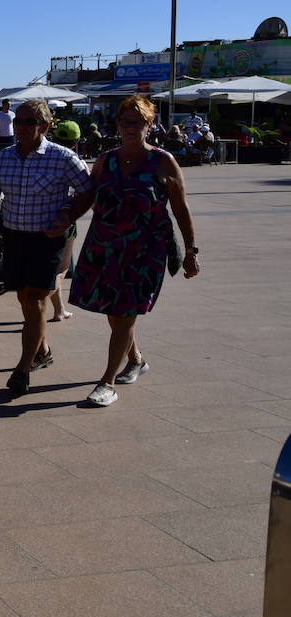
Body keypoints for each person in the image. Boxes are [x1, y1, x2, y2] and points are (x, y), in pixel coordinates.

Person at [68, 96, 199, 407]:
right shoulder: (106, 160)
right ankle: (136, 359)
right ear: (117, 125)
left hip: (145, 252)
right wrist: (63, 219)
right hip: (105, 246)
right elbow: (86, 198)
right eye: (126, 122)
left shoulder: (163, 162)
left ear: (149, 126)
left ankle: (107, 382)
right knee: (116, 315)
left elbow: (181, 209)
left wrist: (191, 250)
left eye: (138, 122)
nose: (131, 128)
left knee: (125, 313)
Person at [0, 99, 93, 395]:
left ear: (44, 126)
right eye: (17, 121)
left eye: (27, 122)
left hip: (48, 239)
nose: (18, 127)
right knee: (23, 298)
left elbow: (87, 192)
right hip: (15, 237)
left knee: (34, 300)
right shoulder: (5, 157)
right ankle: (43, 350)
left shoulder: (63, 157)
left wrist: (68, 216)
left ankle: (22, 369)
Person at [45, 120, 83, 323]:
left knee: (53, 265)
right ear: (76, 142)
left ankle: (59, 310)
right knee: (61, 269)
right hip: (66, 219)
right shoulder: (75, 161)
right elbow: (85, 191)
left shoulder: (48, 157)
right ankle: (44, 295)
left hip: (43, 217)